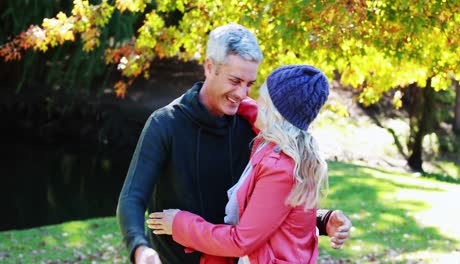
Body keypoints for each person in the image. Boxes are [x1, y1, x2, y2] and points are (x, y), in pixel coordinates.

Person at [116, 23, 351, 264]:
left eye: (249, 84)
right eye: (235, 80)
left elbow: (264, 207)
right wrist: (140, 248)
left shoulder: (255, 130)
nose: (242, 93)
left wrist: (321, 220)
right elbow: (132, 198)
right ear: (210, 67)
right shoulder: (165, 124)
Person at [148, 64, 333, 263]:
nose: (256, 100)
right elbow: (254, 111)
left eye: (263, 98)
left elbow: (240, 241)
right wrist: (219, 97)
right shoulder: (274, 142)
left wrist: (179, 224)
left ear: (274, 113)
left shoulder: (282, 169)